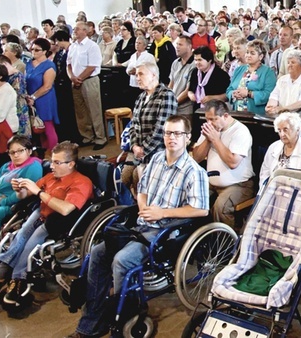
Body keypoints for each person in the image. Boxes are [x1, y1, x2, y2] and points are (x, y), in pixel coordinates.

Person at [70, 116, 208, 338]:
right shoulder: (156, 160)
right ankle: (90, 324)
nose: (172, 138)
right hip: (139, 225)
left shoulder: (194, 171)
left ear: (187, 138)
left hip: (165, 232)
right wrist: (142, 205)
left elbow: (200, 209)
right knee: (97, 254)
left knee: (122, 260)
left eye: (177, 134)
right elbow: (141, 188)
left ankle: (126, 313)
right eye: (168, 133)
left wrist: (162, 213)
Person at [0, 141, 92, 307]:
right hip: (40, 212)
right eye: (52, 161)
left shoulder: (81, 182)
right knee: (19, 237)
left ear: (71, 164)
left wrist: (39, 192)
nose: (52, 166)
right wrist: (19, 189)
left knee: (30, 246)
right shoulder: (51, 177)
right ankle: (1, 274)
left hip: (58, 219)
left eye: (57, 162)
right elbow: (26, 194)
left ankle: (18, 279)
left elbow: (65, 209)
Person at [192, 100, 254, 229]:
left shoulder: (240, 131)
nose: (209, 123)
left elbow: (233, 162)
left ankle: (226, 244)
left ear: (225, 116)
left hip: (239, 184)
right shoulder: (210, 130)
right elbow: (196, 158)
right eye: (207, 119)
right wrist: (208, 140)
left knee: (221, 206)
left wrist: (215, 139)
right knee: (194, 198)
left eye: (213, 119)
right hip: (211, 182)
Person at [121, 62, 178, 195]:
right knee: (123, 177)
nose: (137, 78)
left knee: (137, 178)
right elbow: (133, 126)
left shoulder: (166, 95)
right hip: (138, 152)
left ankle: (142, 209)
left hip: (158, 153)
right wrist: (134, 146)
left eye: (141, 74)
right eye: (136, 75)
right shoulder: (141, 97)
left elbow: (161, 129)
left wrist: (143, 150)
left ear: (153, 75)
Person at [0, 136, 42, 257]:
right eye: (12, 152)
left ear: (29, 151)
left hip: (16, 204)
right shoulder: (7, 167)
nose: (16, 155)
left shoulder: (34, 166)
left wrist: (5, 201)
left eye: (20, 151)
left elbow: (28, 192)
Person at [67, 21, 107, 150]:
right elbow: (69, 64)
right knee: (81, 111)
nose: (75, 31)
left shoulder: (92, 46)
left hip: (89, 80)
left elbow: (92, 66)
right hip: (75, 81)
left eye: (77, 29)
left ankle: (100, 138)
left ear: (85, 31)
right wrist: (72, 77)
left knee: (94, 110)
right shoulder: (73, 46)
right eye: (74, 29)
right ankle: (87, 136)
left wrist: (79, 78)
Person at [259, 112, 301, 189]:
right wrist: (266, 190)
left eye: (285, 130)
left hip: (296, 193)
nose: (282, 134)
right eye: (279, 130)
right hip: (272, 191)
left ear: (297, 129)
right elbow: (265, 172)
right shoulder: (273, 147)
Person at [25, 38, 59, 151]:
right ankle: (44, 153)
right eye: (32, 49)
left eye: (37, 50)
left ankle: (54, 152)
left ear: (44, 51)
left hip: (44, 98)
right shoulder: (28, 64)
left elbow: (47, 86)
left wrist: (34, 97)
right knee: (39, 128)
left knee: (47, 125)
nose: (33, 51)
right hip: (30, 98)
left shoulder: (49, 65)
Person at [227, 39, 276, 115]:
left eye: (252, 53)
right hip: (237, 113)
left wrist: (249, 94)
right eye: (247, 52)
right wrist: (233, 94)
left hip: (256, 115)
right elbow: (229, 89)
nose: (248, 55)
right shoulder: (239, 69)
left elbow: (269, 94)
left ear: (260, 56)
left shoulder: (268, 72)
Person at [266, 49, 301, 116]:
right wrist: (271, 107)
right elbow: (274, 96)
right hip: (280, 116)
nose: (289, 65)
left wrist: (282, 109)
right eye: (288, 62)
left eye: (293, 62)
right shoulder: (282, 79)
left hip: (298, 116)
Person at [167, 35, 195, 121]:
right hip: (173, 108)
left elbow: (188, 90)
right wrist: (167, 99)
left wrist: (173, 103)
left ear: (189, 47)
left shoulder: (194, 64)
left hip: (186, 110)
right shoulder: (175, 62)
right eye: (177, 44)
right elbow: (171, 84)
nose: (177, 47)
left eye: (180, 44)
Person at [125, 35, 155, 103]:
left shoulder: (149, 57)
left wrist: (138, 71)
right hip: (133, 84)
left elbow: (152, 70)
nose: (137, 45)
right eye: (136, 42)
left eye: (139, 43)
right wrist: (129, 72)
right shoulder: (133, 56)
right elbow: (128, 69)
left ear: (144, 46)